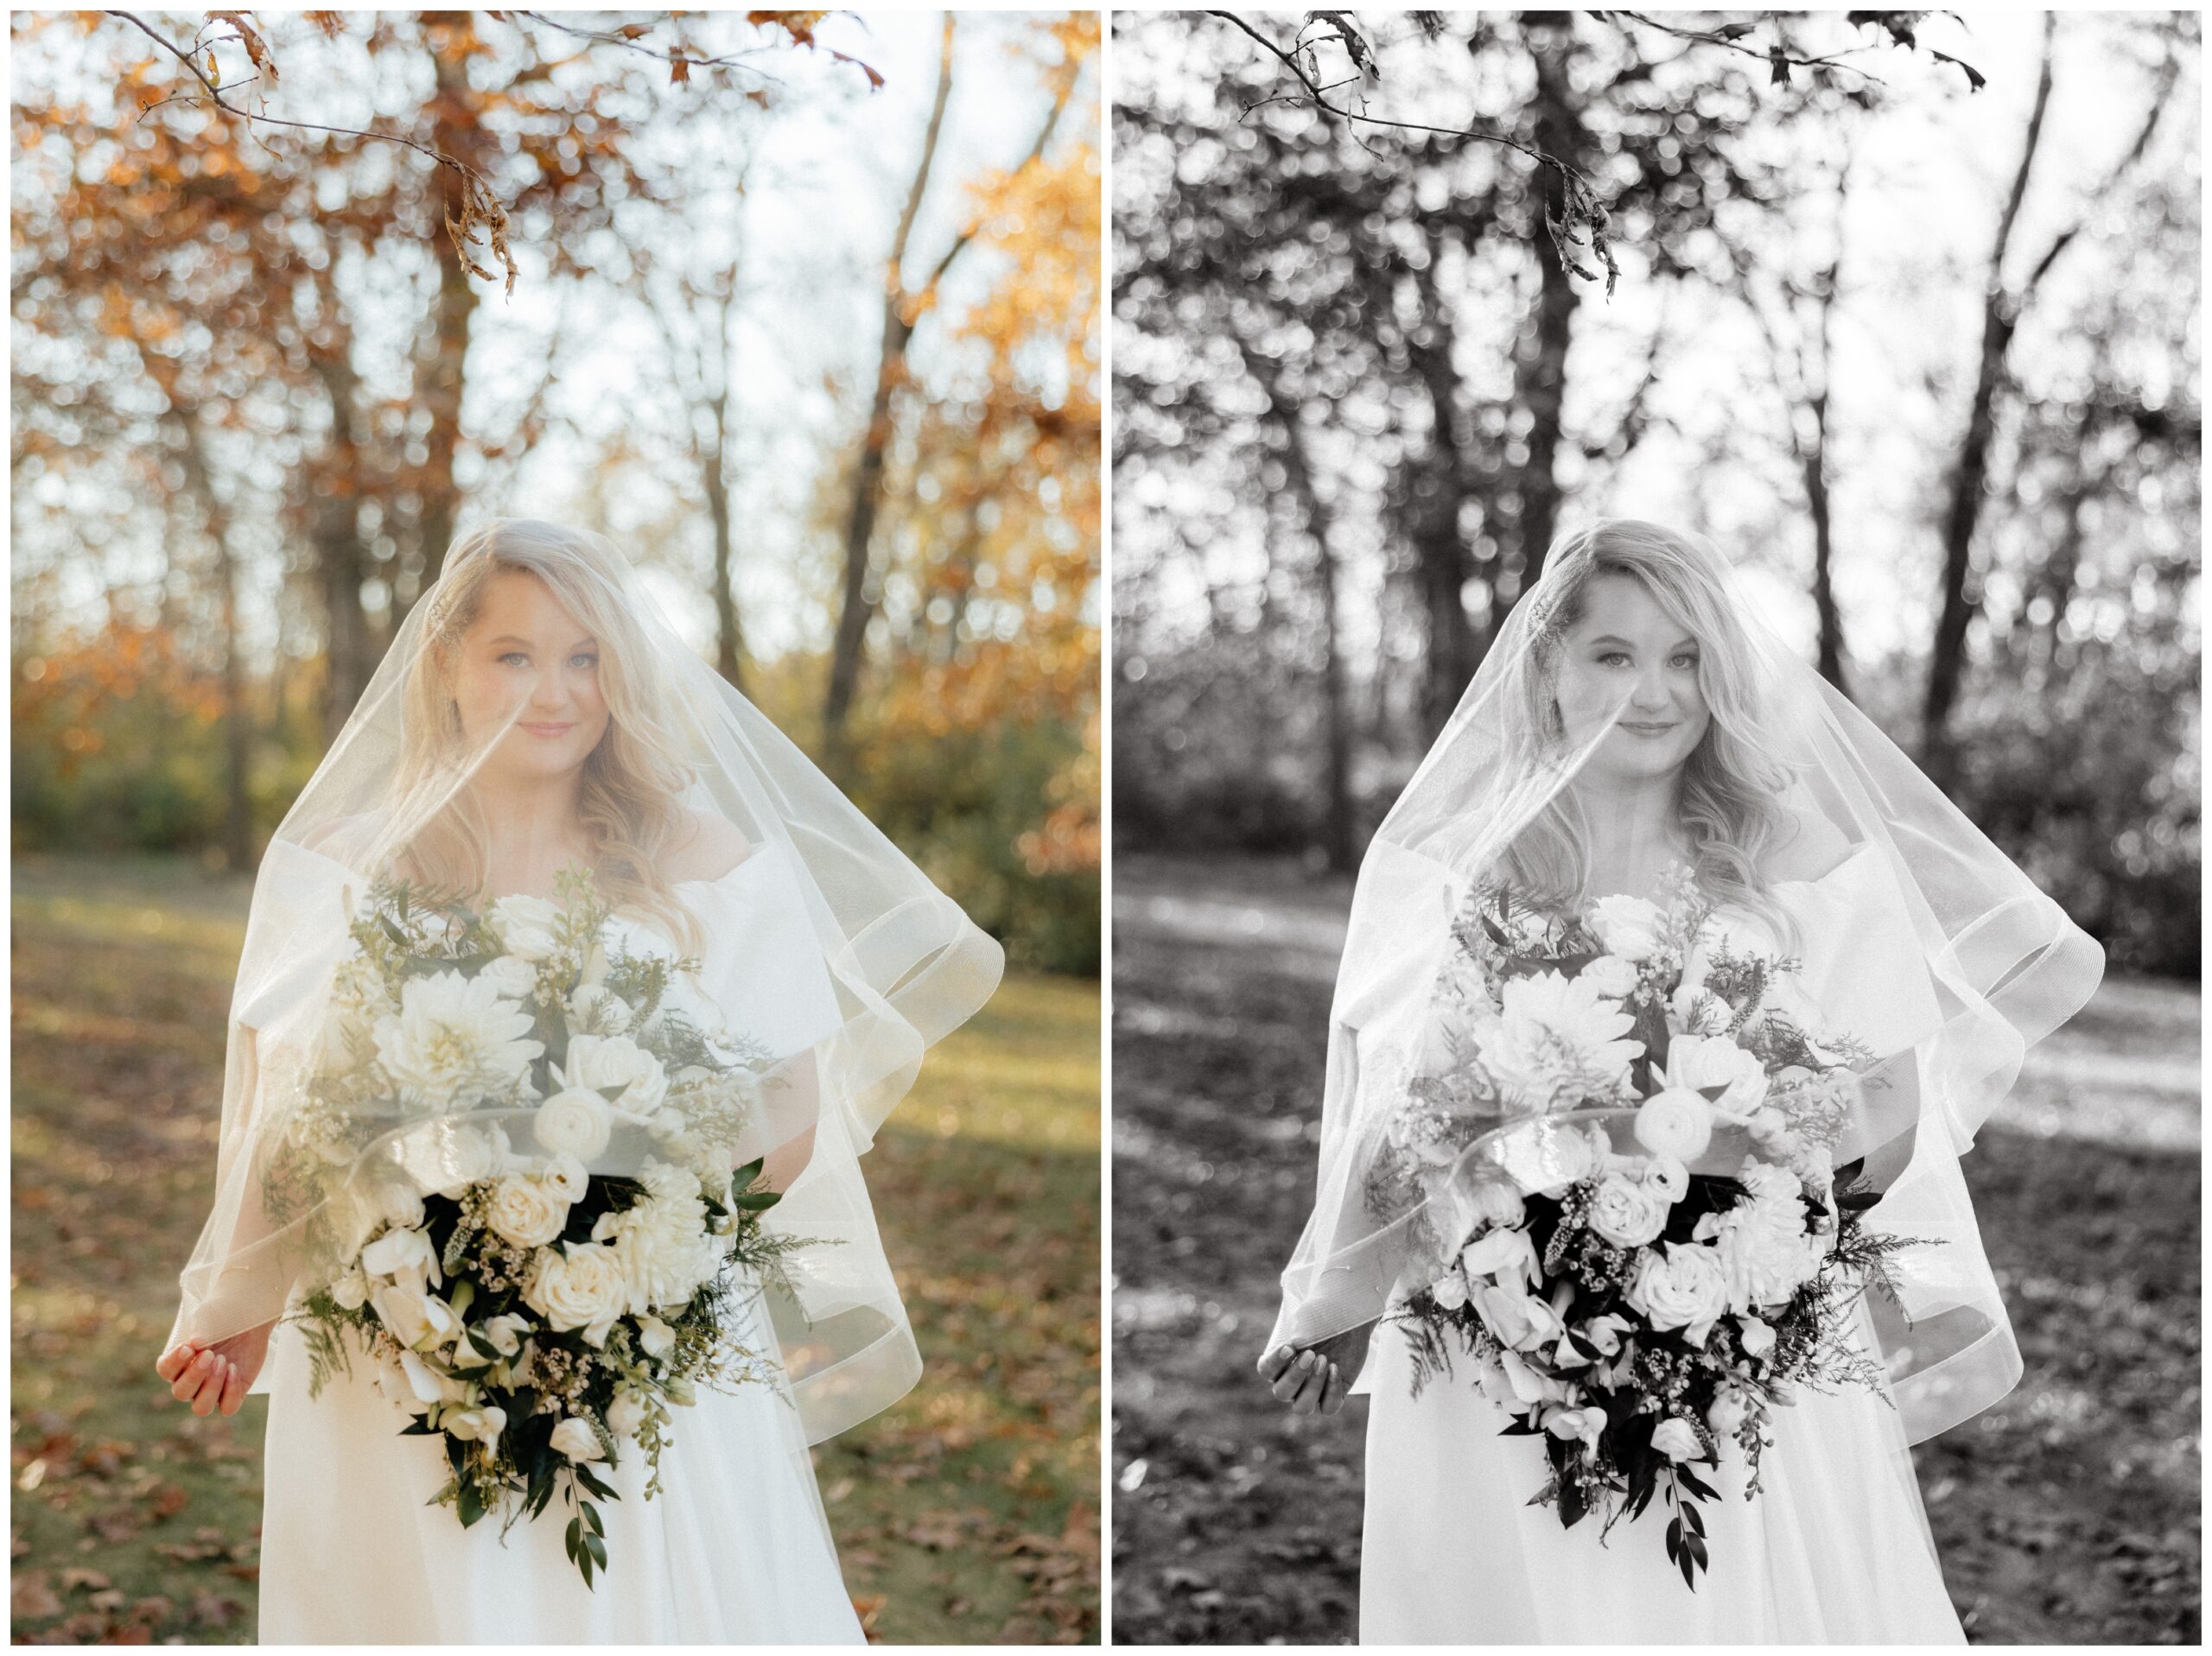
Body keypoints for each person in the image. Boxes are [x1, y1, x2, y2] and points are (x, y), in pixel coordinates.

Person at [155, 519, 1002, 1642]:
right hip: (394, 1354)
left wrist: (622, 1246)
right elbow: (293, 1114)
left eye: (584, 655)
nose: (552, 690)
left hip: (648, 1337)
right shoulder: (346, 870)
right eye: (514, 653)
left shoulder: (710, 865)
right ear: (450, 664)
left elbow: (791, 1110)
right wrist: (234, 1300)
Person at [1256, 520, 2102, 1642]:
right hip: (1498, 1333)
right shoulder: (1472, 875)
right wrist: (1338, 1295)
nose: (1653, 691)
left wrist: (1752, 1228)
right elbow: (1418, 1115)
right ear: (1549, 669)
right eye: (1614, 654)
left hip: (1743, 1333)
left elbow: (1891, 1109)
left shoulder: (1800, 866)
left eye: (1685, 656)